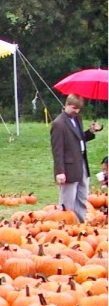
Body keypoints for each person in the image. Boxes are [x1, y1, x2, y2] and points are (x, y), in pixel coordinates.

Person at [50, 93, 102, 223]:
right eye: (74, 108)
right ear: (66, 104)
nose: (76, 111)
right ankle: (65, 224)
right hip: (68, 166)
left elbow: (79, 139)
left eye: (79, 109)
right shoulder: (59, 123)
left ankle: (79, 223)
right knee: (68, 199)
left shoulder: (77, 118)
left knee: (82, 196)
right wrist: (60, 171)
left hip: (82, 163)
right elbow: (57, 150)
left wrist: (91, 132)